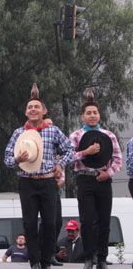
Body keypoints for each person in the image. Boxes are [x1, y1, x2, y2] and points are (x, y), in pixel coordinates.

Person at [4, 83, 74, 269]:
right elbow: (6, 159)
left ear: (44, 111)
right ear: (26, 112)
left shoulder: (53, 130)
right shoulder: (19, 133)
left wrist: (60, 164)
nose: (33, 109)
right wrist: (17, 159)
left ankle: (45, 260)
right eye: (30, 107)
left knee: (50, 223)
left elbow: (70, 149)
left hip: (48, 181)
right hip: (26, 182)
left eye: (37, 107)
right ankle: (34, 261)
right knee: (29, 224)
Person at [69, 90, 122, 269]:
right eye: (88, 113)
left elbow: (117, 158)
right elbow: (67, 157)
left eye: (95, 112)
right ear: (82, 117)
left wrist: (110, 173)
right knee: (87, 220)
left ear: (99, 115)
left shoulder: (109, 135)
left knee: (104, 220)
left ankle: (101, 257)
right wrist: (85, 152)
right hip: (85, 180)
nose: (92, 116)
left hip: (104, 180)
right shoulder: (75, 136)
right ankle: (88, 257)